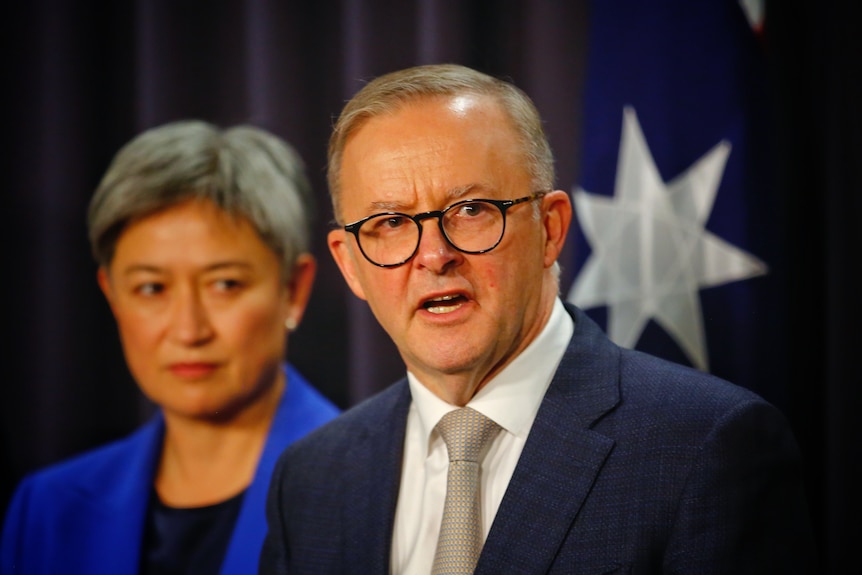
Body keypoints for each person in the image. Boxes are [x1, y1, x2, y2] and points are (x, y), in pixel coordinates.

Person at [259, 63, 817, 574]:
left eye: (471, 210)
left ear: (549, 228)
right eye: (390, 223)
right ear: (349, 264)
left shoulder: (706, 447)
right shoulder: (311, 479)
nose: (433, 255)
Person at [0, 120, 340, 575]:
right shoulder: (47, 508)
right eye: (151, 288)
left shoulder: (372, 485)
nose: (188, 330)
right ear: (112, 295)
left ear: (294, 291)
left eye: (225, 284)